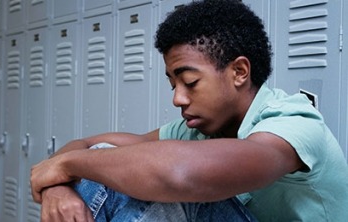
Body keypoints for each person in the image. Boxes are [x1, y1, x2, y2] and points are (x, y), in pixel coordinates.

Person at [30, 0, 348, 221]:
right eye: (173, 85)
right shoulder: (198, 130)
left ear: (239, 72)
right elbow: (89, 144)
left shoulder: (291, 121)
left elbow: (181, 174)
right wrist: (59, 187)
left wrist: (67, 166)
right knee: (111, 164)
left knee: (148, 174)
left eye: (190, 82)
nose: (178, 99)